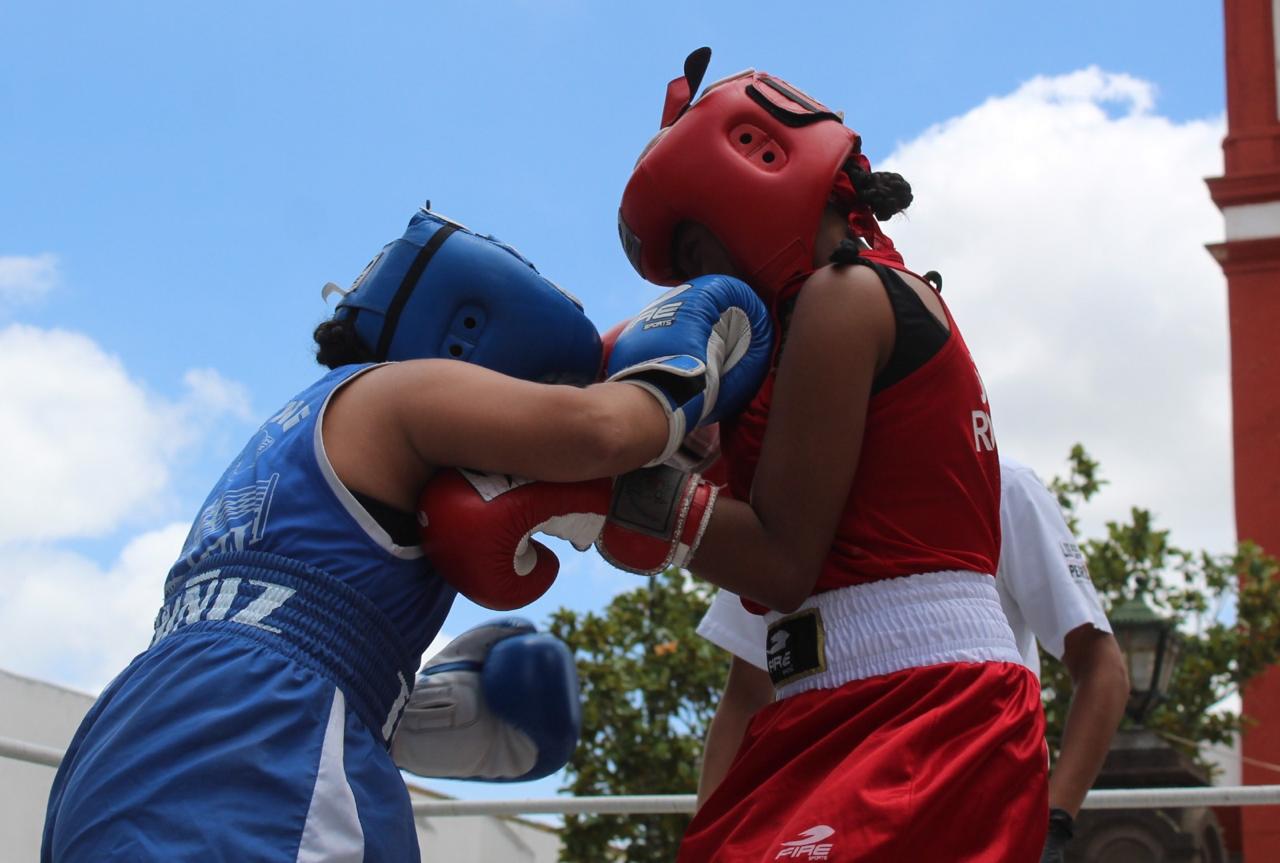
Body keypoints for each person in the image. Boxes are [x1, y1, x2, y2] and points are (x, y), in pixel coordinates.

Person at [420, 49, 1048, 861]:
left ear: (750, 180)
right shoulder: (815, 329)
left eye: (692, 253)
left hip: (921, 708)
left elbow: (780, 559)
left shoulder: (845, 297)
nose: (694, 286)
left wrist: (600, 487)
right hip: (832, 701)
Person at [40, 204, 773, 862]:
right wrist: (682, 365)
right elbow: (602, 432)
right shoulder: (400, 391)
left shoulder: (280, 444)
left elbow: (274, 627)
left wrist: (394, 712)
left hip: (121, 749)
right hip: (269, 740)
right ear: (468, 331)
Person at [694, 455, 1130, 863]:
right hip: (815, 810)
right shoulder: (786, 503)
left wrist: (1053, 821)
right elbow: (746, 694)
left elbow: (1099, 664)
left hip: (969, 806)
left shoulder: (1000, 484)